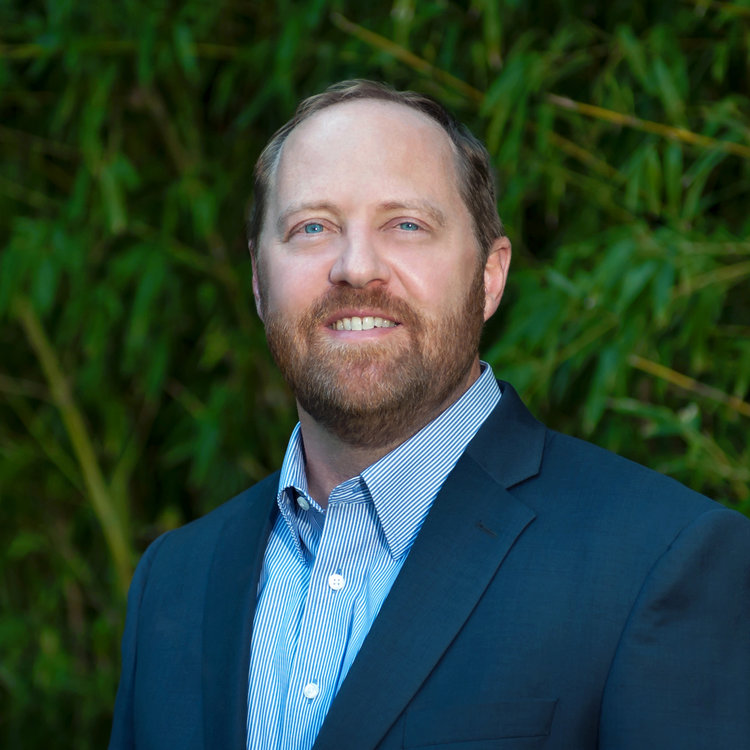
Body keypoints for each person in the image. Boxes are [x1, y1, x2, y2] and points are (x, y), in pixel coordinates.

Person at [109, 80, 750, 750]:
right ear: (258, 279)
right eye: (312, 228)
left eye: (406, 225)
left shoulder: (657, 562)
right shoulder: (173, 581)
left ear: (490, 277)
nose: (355, 268)